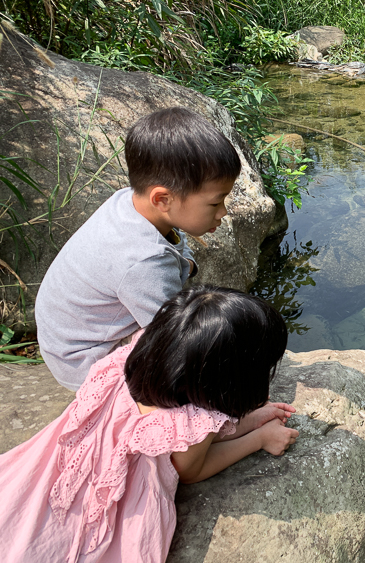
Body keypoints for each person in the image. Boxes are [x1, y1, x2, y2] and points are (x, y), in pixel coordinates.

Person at [0, 285, 299, 563]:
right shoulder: (193, 419)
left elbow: (176, 440)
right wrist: (259, 439)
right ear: (225, 381)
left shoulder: (138, 358)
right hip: (113, 506)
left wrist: (251, 419)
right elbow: (191, 468)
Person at [35, 106, 242, 391]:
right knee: (204, 362)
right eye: (215, 203)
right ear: (162, 199)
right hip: (85, 363)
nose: (223, 212)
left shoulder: (130, 202)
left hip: (68, 342)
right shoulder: (143, 262)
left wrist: (186, 266)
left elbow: (176, 240)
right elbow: (172, 336)